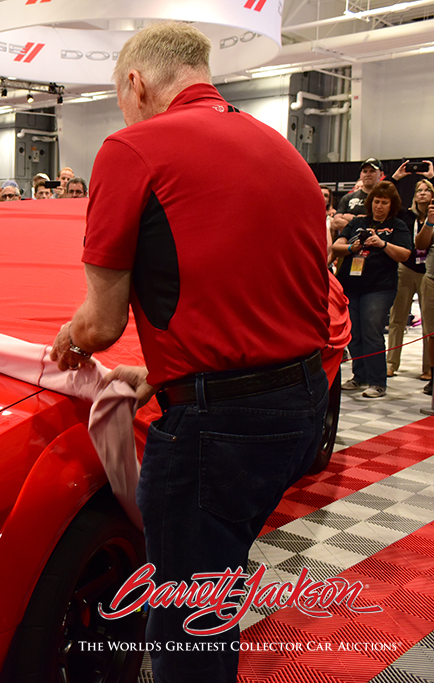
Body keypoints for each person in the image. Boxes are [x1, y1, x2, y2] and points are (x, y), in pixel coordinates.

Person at [49, 23, 331, 683]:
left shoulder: (132, 148)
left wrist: (64, 342)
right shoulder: (277, 147)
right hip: (300, 407)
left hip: (219, 430)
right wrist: (161, 369)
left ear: (135, 83)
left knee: (184, 622)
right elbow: (256, 289)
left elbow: (100, 322)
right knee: (216, 584)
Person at [333, 181, 411, 398]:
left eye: (384, 203)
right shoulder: (358, 222)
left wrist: (382, 244)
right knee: (354, 332)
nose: (379, 206)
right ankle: (360, 376)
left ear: (391, 204)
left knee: (372, 332)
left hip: (380, 287)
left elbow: (405, 254)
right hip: (352, 285)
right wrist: (351, 247)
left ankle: (377, 382)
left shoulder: (397, 225)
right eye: (376, 201)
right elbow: (335, 247)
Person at [387, 178, 432, 380]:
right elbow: (388, 195)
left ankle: (428, 367)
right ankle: (390, 363)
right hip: (405, 269)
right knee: (397, 318)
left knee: (429, 322)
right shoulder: (405, 215)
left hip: (428, 272)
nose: (422, 193)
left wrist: (432, 177)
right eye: (419, 190)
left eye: (427, 190)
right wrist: (395, 178)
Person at [410, 180, 434, 393]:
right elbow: (421, 244)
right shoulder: (427, 217)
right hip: (431, 276)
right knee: (431, 329)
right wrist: (430, 221)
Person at [332, 159, 382, 232]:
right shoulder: (348, 197)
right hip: (349, 241)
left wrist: (353, 218)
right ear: (361, 175)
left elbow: (380, 223)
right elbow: (336, 222)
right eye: (365, 171)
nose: (368, 174)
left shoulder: (383, 199)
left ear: (381, 174)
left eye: (372, 171)